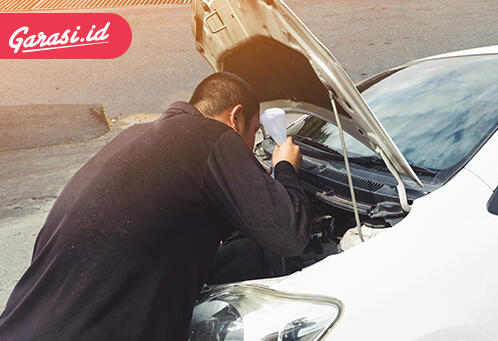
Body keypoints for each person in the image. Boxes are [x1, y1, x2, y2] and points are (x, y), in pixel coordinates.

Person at [0, 72, 312, 341]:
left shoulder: (135, 139)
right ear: (236, 117)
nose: (251, 147)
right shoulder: (211, 136)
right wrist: (284, 168)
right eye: (254, 134)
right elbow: (288, 234)